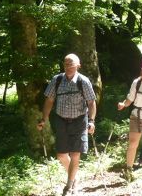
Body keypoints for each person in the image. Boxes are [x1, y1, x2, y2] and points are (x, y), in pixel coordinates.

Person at [38, 53, 97, 196]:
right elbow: (49, 101)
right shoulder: (57, 80)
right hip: (61, 120)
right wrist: (44, 119)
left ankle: (69, 186)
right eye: (66, 64)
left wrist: (91, 121)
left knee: (75, 153)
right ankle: (74, 176)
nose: (68, 66)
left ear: (78, 65)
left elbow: (91, 102)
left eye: (71, 64)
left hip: (79, 121)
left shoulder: (83, 81)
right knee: (61, 155)